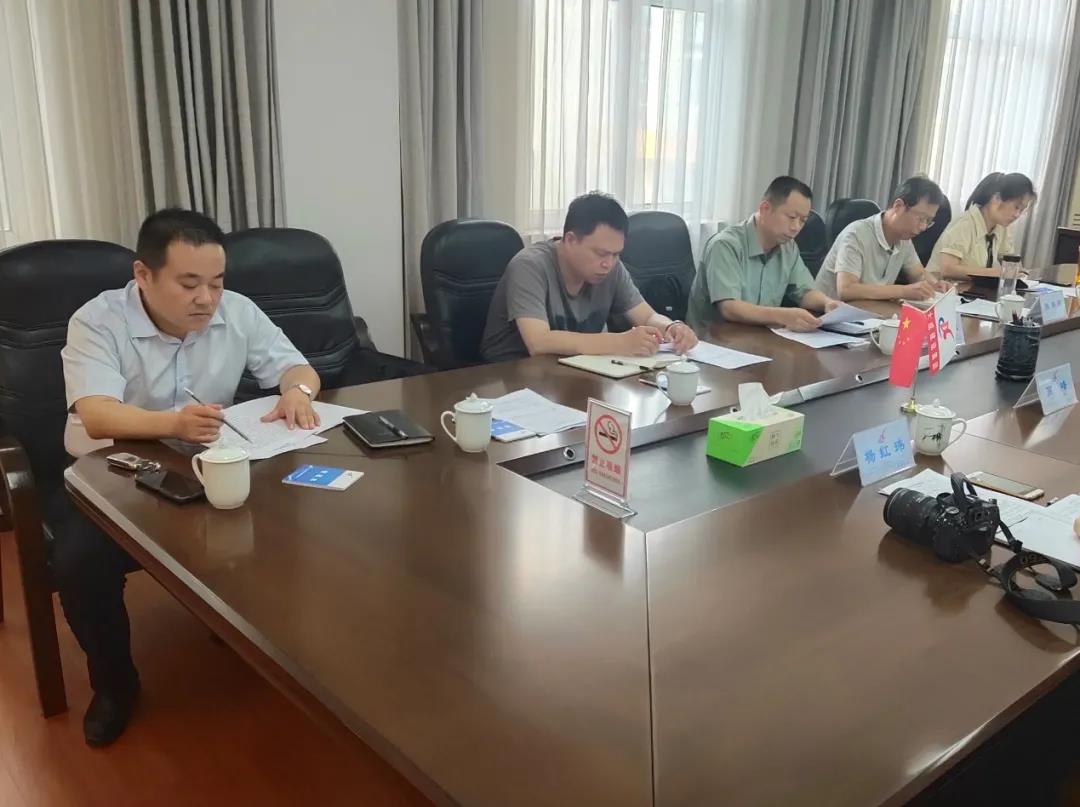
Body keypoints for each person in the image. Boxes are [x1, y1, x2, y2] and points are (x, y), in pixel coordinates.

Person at [57, 208, 321, 746]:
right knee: (80, 564)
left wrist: (298, 393)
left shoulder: (237, 311)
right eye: (189, 283)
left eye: (217, 282)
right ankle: (115, 685)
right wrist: (173, 424)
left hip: (206, 460)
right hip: (114, 472)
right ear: (143, 275)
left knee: (300, 517)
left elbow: (298, 368)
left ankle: (257, 637)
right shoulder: (97, 320)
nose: (207, 298)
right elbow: (98, 415)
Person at [480, 192, 698, 362]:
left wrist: (672, 327)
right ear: (570, 240)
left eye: (616, 254)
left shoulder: (612, 267)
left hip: (571, 371)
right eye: (601, 253)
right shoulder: (530, 266)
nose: (608, 264)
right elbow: (539, 342)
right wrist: (619, 342)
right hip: (508, 375)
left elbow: (647, 316)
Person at [686, 176, 841, 333]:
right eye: (792, 217)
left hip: (760, 336)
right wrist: (783, 316)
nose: (796, 227)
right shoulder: (725, 245)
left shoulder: (789, 247)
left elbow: (804, 291)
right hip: (712, 339)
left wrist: (827, 303)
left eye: (803, 221)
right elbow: (729, 308)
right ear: (765, 209)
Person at [815, 176, 954, 302]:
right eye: (921, 218)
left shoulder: (904, 239)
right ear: (898, 206)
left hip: (867, 312)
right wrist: (902, 291)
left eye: (928, 221)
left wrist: (935, 284)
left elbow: (918, 274)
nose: (923, 227)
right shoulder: (856, 234)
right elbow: (847, 289)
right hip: (827, 314)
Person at [928, 172, 1036, 276]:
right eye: (1016, 207)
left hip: (973, 287)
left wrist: (1018, 272)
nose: (1017, 215)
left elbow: (1010, 263)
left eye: (1022, 210)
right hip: (939, 286)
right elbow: (948, 269)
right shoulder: (965, 224)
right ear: (996, 198)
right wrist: (997, 273)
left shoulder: (1001, 227)